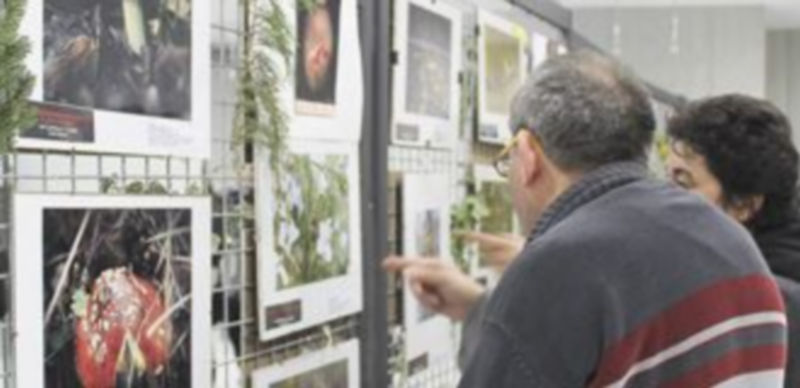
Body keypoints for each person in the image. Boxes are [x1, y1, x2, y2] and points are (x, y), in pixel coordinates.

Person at [384, 51, 788, 387]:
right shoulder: (733, 242)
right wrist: (481, 308)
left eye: (507, 159)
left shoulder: (557, 268)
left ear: (527, 154)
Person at [665, 94, 800, 387]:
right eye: (666, 180)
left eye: (683, 183)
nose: (662, 198)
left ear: (743, 205)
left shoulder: (772, 301)